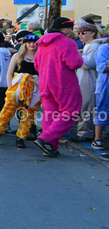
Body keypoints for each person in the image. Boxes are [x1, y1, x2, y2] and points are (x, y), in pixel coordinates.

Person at [34, 17, 84, 157]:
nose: (71, 30)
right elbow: (74, 63)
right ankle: (46, 139)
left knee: (50, 113)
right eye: (70, 27)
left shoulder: (43, 43)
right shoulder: (67, 42)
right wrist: (80, 57)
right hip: (64, 83)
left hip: (45, 81)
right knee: (71, 111)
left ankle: (51, 146)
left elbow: (36, 64)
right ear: (64, 28)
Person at [0, 31, 40, 149]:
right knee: (7, 110)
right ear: (24, 44)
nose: (31, 44)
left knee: (29, 113)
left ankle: (21, 138)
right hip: (17, 86)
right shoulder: (17, 55)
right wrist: (10, 89)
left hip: (35, 87)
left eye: (34, 42)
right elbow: (9, 73)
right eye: (29, 42)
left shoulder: (41, 56)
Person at [73, 22, 100, 141]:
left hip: (89, 79)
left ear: (93, 33)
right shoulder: (89, 45)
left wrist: (77, 56)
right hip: (84, 78)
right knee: (83, 106)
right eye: (79, 33)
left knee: (87, 106)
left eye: (83, 33)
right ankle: (83, 131)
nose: (80, 35)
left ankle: (85, 133)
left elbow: (90, 63)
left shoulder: (93, 46)